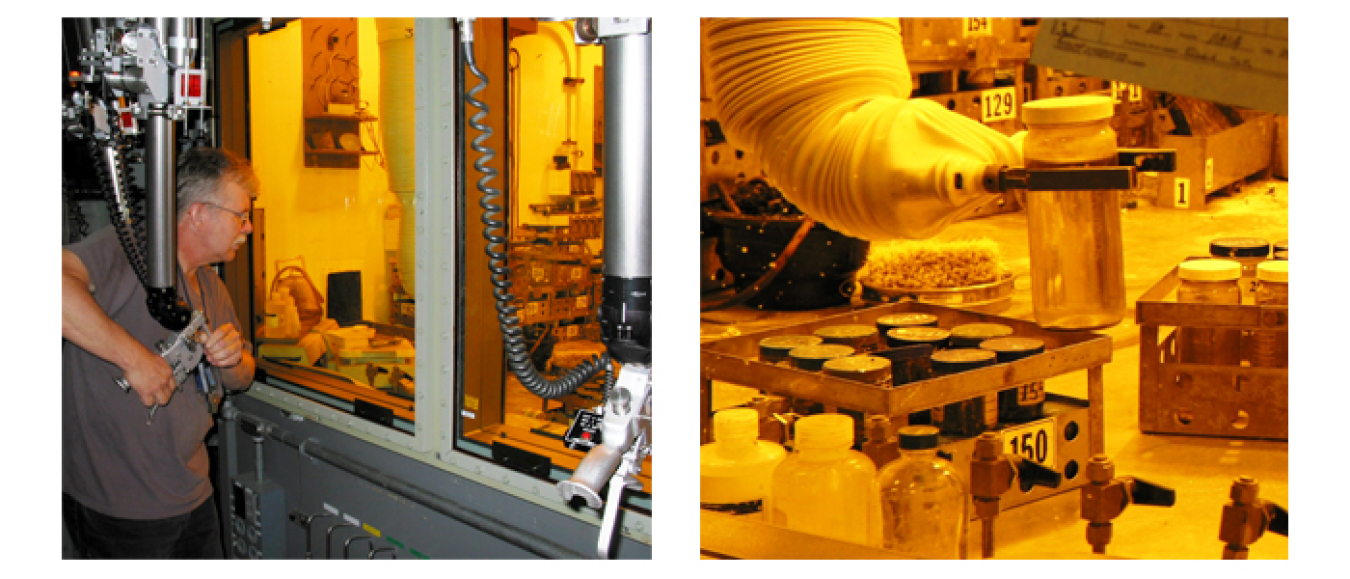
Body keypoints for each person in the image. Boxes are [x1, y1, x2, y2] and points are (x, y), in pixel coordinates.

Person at [62, 147, 259, 559]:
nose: (249, 227)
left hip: (193, 494)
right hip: (121, 510)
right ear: (198, 213)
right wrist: (134, 359)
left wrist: (233, 359)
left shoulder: (212, 286)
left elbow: (243, 378)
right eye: (240, 215)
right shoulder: (128, 251)